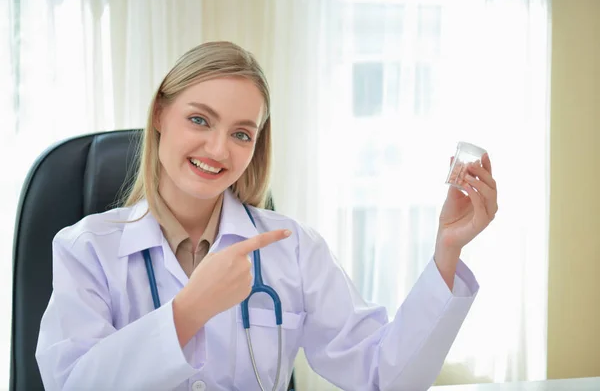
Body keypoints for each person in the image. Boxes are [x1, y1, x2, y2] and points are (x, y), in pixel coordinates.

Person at [35, 41, 498, 391]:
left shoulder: (291, 248)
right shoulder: (87, 248)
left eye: (241, 133)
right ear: (160, 113)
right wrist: (189, 310)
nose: (218, 150)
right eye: (199, 120)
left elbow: (383, 375)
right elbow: (72, 383)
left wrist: (447, 251)